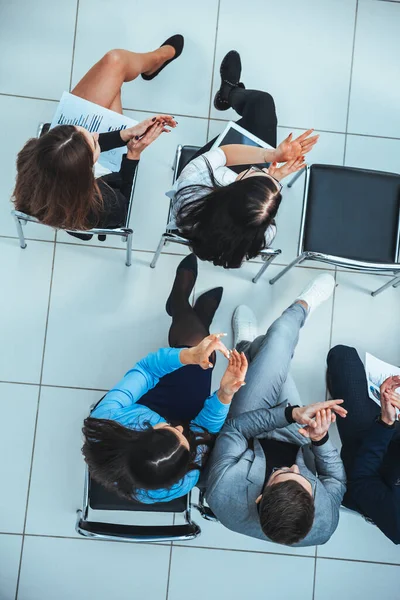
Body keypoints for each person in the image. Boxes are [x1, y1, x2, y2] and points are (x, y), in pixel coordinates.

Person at [82, 254, 248, 503]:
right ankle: (195, 319)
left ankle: (179, 303)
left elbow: (148, 370)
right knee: (207, 361)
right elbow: (200, 429)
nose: (181, 427)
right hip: (176, 416)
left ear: (140, 432)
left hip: (145, 404)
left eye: (170, 430)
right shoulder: (183, 480)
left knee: (197, 351)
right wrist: (225, 394)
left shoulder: (107, 421)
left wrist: (188, 356)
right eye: (182, 437)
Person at [205, 273, 347, 546]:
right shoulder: (325, 523)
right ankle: (249, 346)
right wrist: (320, 439)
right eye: (303, 477)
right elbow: (336, 479)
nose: (295, 466)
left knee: (277, 340)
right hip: (299, 436)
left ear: (259, 497)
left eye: (284, 473)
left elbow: (235, 429)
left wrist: (289, 414)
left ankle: (270, 330)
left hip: (249, 431)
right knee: (270, 349)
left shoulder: (223, 493)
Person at [12, 36, 184, 239]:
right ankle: (156, 60)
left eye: (77, 131)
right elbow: (123, 203)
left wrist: (123, 135)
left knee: (115, 64)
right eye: (94, 141)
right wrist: (132, 155)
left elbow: (80, 148)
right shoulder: (106, 203)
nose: (95, 134)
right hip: (89, 199)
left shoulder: (29, 157)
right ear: (89, 167)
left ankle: (155, 61)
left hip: (65, 176)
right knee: (115, 72)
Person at [167, 50, 319, 268]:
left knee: (262, 105)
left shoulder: (194, 183)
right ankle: (228, 94)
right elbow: (258, 206)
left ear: (233, 185)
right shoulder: (263, 233)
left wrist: (270, 156)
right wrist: (273, 175)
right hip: (226, 215)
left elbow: (227, 154)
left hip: (206, 190)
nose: (263, 169)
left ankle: (229, 92)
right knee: (263, 107)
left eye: (255, 172)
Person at [327, 345, 400, 544]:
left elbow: (362, 477)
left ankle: (340, 391)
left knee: (343, 357)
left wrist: (386, 423)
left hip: (367, 458)